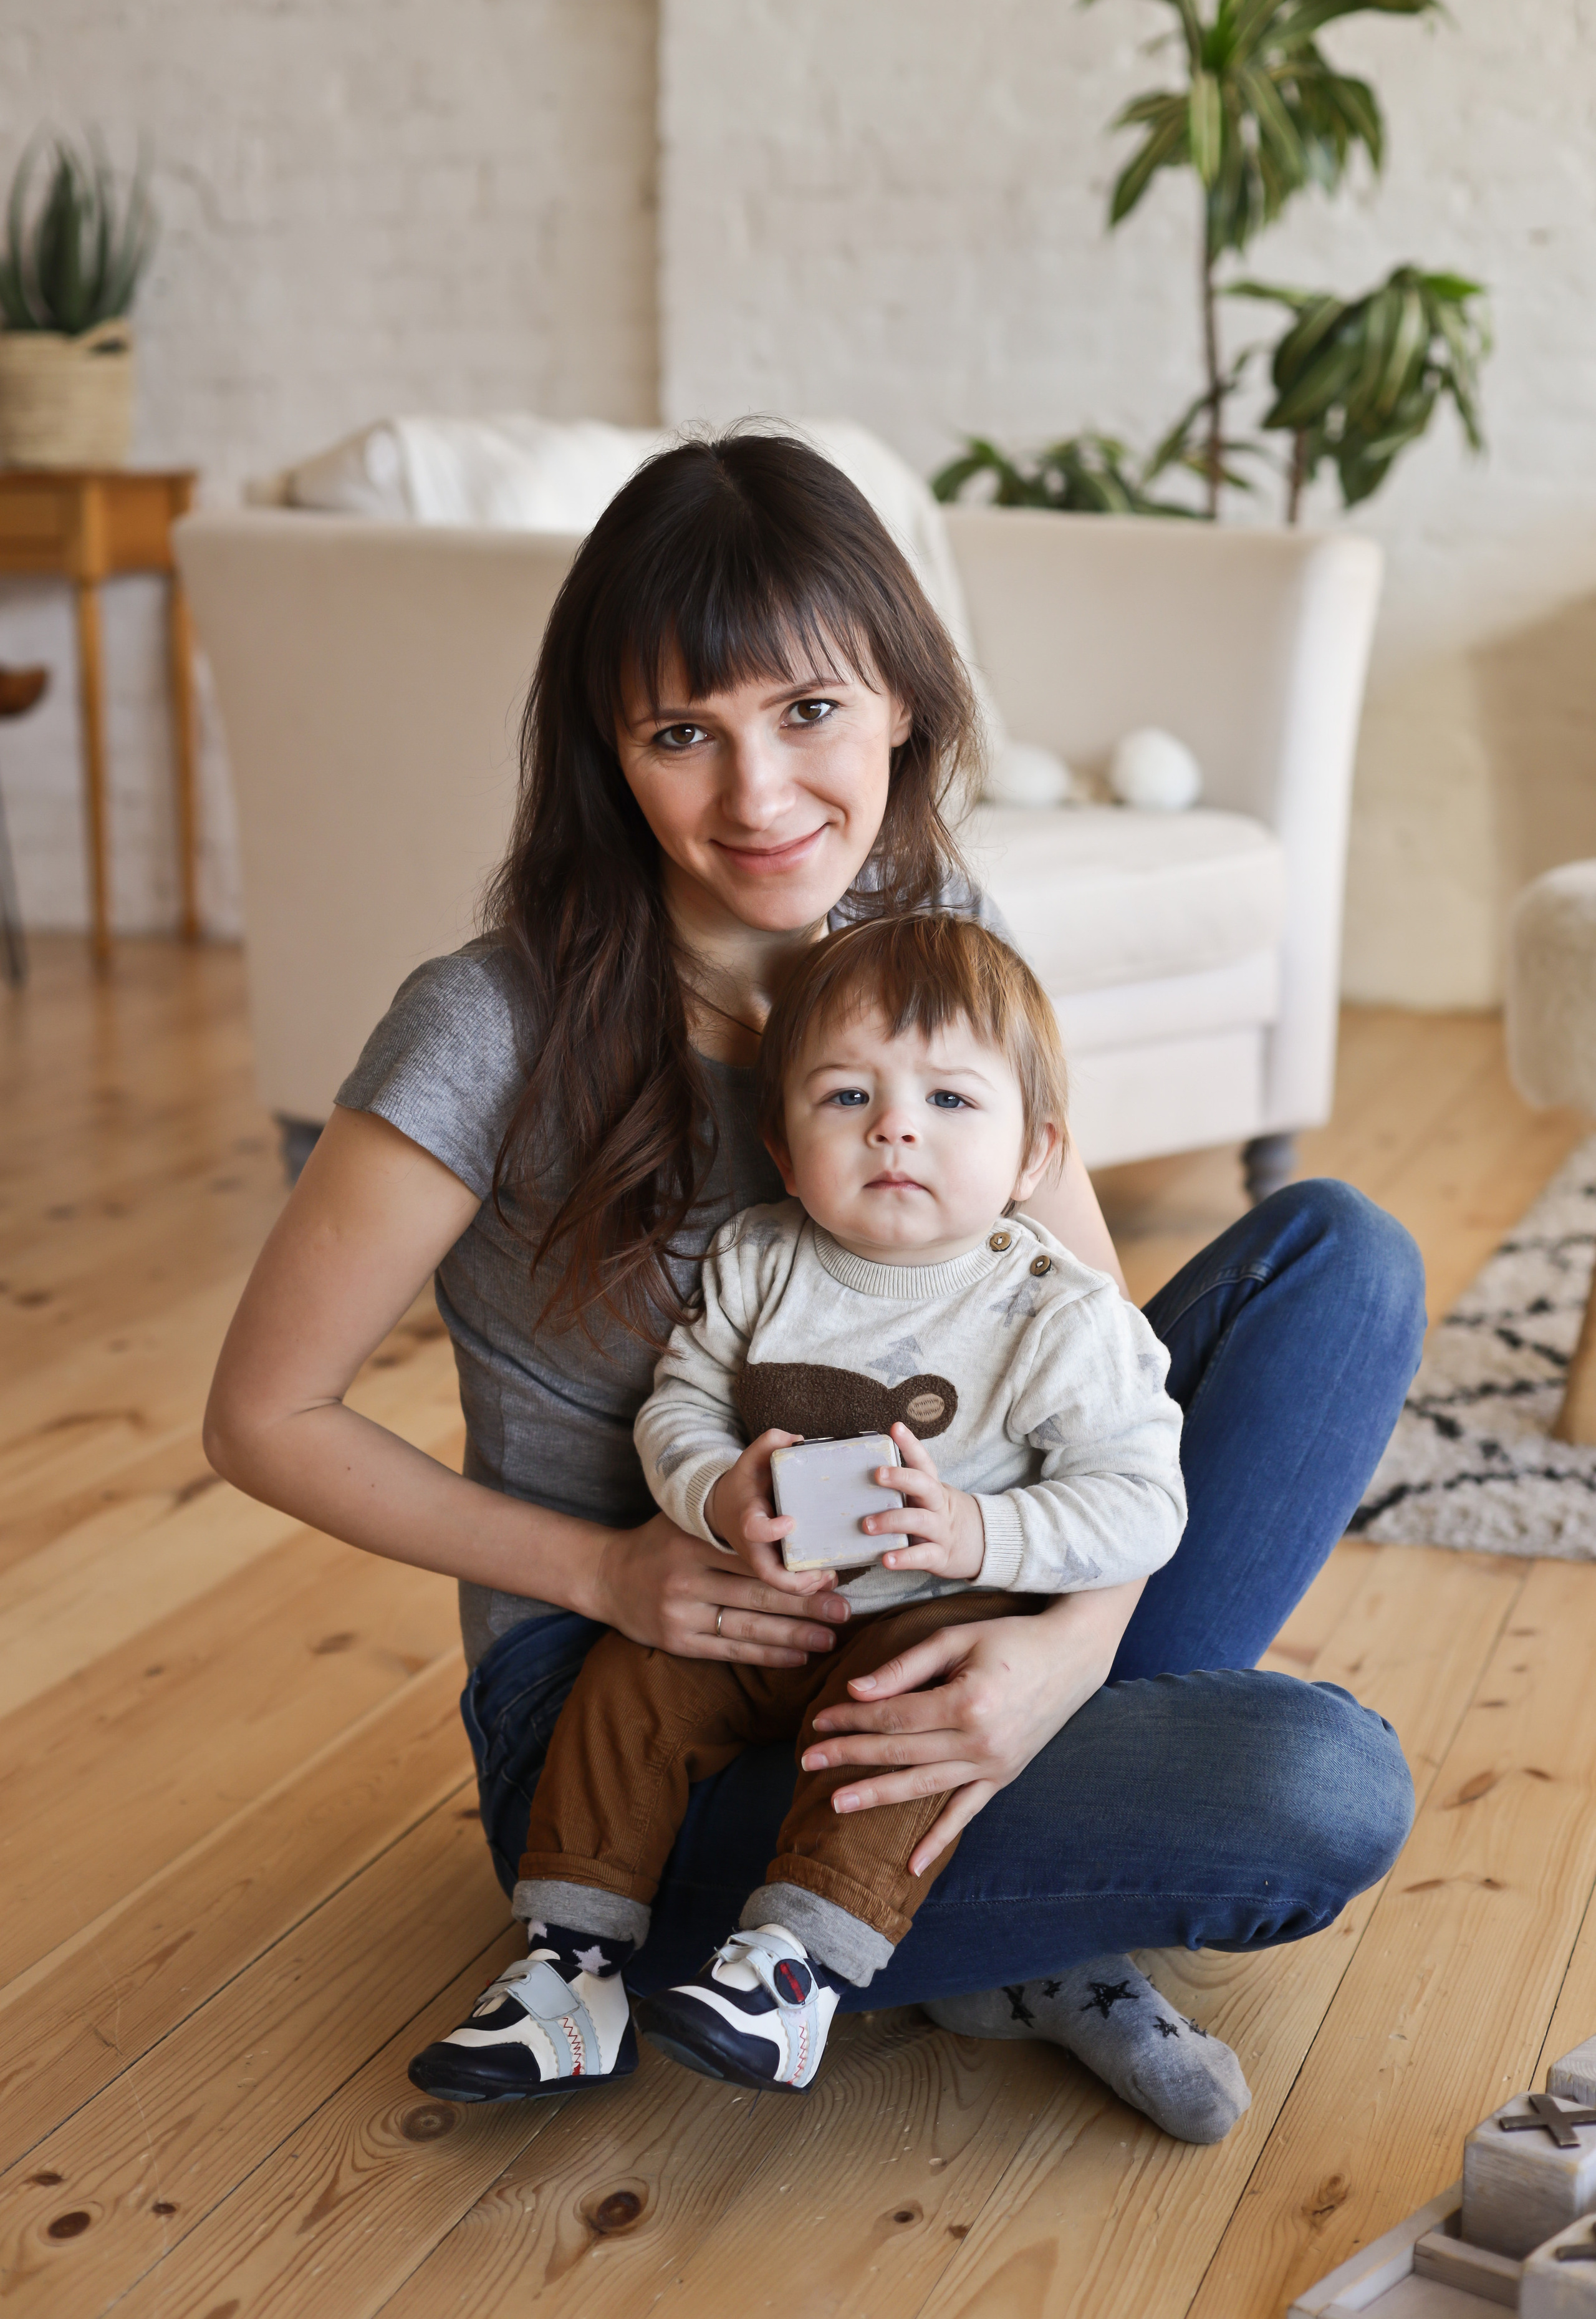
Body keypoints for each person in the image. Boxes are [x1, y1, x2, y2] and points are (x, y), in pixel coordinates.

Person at [204, 427, 1422, 2151]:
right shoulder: (485, 1029)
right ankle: (945, 1924)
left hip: (955, 1609)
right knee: (1318, 1782)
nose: (760, 796)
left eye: (811, 712)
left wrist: (1065, 1653)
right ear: (609, 756)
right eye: (682, 733)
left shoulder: (930, 931)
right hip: (642, 1737)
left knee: (1342, 1259)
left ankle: (981, 1890)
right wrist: (615, 1570)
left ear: (908, 703)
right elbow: (263, 1416)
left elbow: (1092, 1337)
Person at [408, 913, 1203, 2109]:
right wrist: (716, 1495)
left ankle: (795, 1971)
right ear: (782, 1152)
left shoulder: (1056, 1312)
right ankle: (568, 1972)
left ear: (1036, 1154)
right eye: (845, 1098)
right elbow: (676, 1411)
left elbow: (1145, 1501)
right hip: (751, 1604)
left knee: (894, 1741)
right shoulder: (760, 1257)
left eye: (948, 1101)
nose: (894, 1125)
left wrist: (983, 1534)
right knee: (629, 1686)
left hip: (931, 1615)